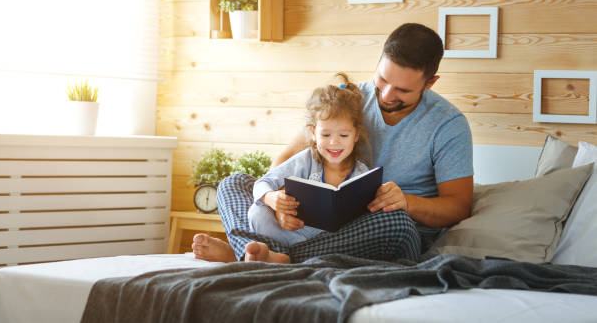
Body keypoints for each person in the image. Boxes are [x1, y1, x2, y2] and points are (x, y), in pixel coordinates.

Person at [192, 23, 474, 264]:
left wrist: (406, 202)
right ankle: (261, 254)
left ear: (429, 83)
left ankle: (253, 255)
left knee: (398, 226)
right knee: (234, 183)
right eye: (383, 79)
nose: (387, 95)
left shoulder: (448, 125)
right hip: (310, 223)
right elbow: (284, 161)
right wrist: (278, 203)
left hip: (377, 228)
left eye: (402, 90)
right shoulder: (347, 99)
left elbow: (458, 207)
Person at [249, 73, 371, 246]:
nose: (334, 142)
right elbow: (262, 182)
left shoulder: (361, 173)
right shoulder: (305, 160)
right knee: (257, 212)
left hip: (335, 242)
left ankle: (284, 257)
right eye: (325, 134)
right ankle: (289, 255)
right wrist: (271, 198)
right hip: (292, 234)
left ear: (356, 135)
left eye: (343, 135)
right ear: (313, 133)